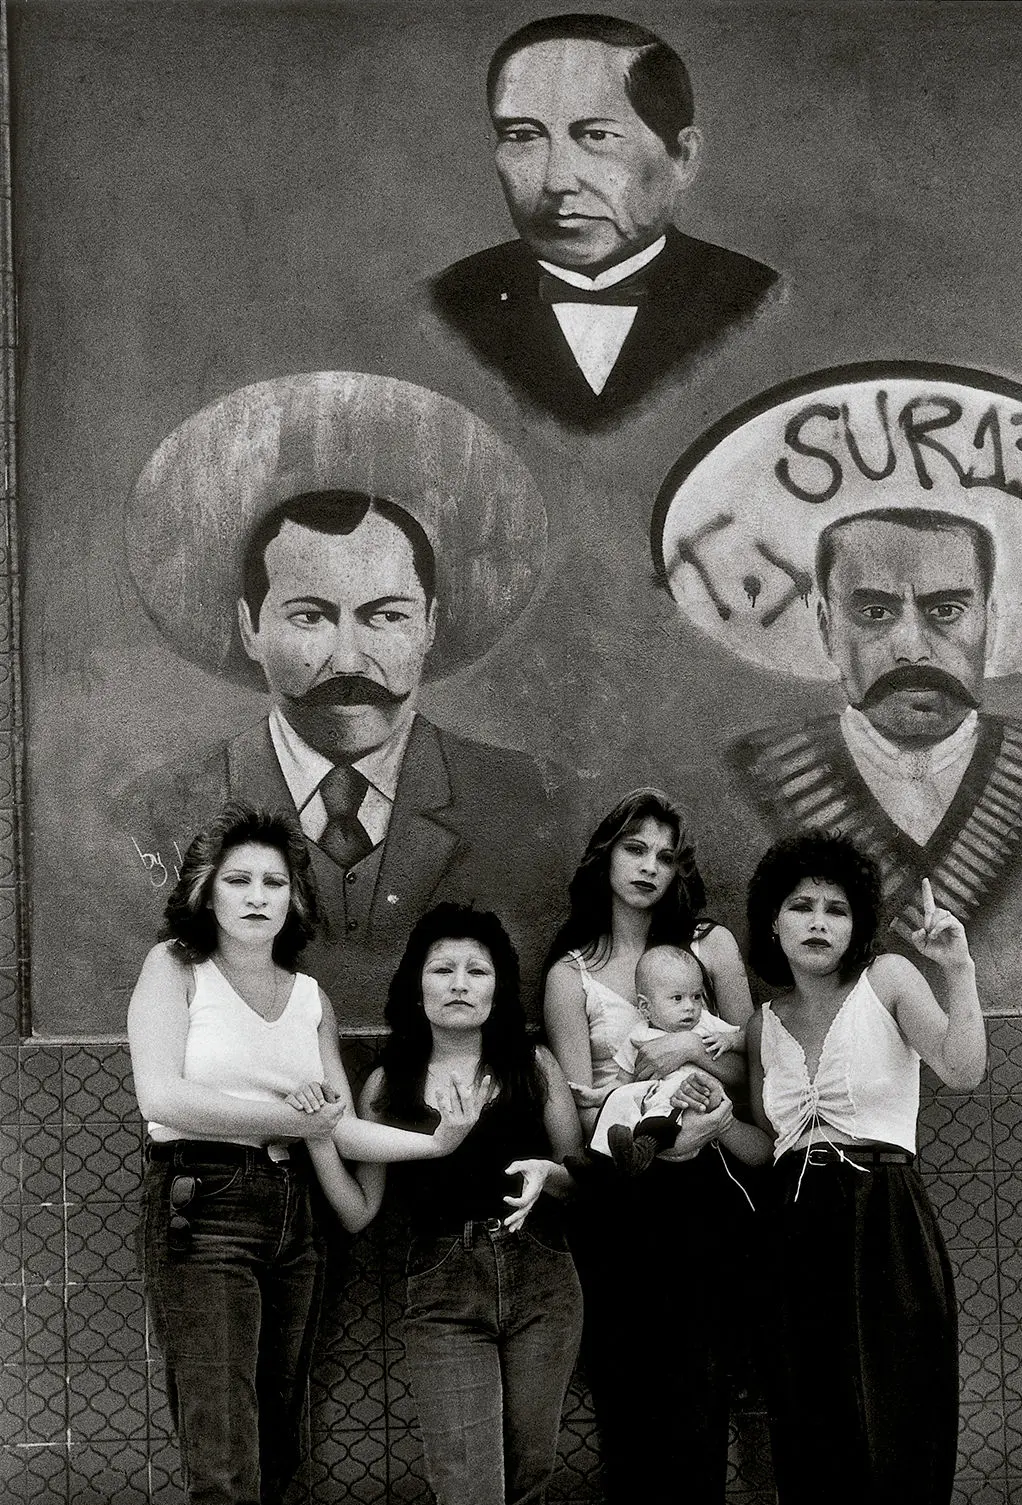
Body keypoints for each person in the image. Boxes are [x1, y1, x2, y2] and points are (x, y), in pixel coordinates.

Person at [127, 802, 470, 1505]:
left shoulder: (309, 994)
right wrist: (291, 1113)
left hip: (290, 1218)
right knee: (223, 1467)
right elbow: (166, 1092)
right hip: (204, 1206)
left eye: (274, 881)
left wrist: (434, 1146)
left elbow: (343, 1127)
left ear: (296, 896)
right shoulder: (172, 970)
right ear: (204, 889)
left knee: (273, 1451)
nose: (257, 896)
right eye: (238, 879)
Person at [118, 373, 559, 1027]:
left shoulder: (526, 799)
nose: (348, 660)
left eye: (385, 616)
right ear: (250, 627)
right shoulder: (159, 808)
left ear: (430, 624)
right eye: (309, 617)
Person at [312, 903, 584, 1505]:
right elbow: (363, 1210)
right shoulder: (392, 1082)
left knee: (526, 1490)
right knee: (470, 1503)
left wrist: (553, 1176)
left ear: (499, 985)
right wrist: (320, 1135)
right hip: (443, 1294)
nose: (459, 984)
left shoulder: (531, 1063)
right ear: (415, 985)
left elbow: (578, 1171)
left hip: (543, 1283)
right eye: (442, 969)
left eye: (476, 969)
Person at [718, 832, 987, 1505]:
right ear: (775, 922)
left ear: (857, 922)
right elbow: (769, 1145)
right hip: (795, 1233)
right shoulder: (763, 1023)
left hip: (884, 1221)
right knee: (812, 1438)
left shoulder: (892, 984)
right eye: (802, 906)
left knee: (894, 1437)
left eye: (835, 907)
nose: (819, 922)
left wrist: (958, 969)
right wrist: (714, 1118)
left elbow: (961, 1068)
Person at [542, 788, 753, 1505]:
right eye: (635, 848)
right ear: (607, 857)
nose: (649, 866)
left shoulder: (709, 950)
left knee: (695, 1413)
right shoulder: (569, 972)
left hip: (701, 1205)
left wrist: (689, 1063)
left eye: (665, 854)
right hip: (615, 1207)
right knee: (627, 1415)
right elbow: (580, 1105)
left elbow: (758, 1060)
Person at [729, 508, 1022, 936]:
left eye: (946, 610)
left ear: (991, 624)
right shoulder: (754, 770)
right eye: (875, 613)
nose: (912, 649)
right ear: (826, 629)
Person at [429, 13, 782, 428]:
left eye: (596, 136)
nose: (557, 181)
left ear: (683, 157)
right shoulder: (446, 303)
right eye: (523, 135)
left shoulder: (755, 298)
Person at [588, 942, 741, 1173]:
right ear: (645, 1006)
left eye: (697, 996)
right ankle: (596, 1158)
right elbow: (622, 1079)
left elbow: (745, 1039)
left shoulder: (707, 1024)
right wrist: (597, 1095)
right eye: (677, 998)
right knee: (619, 1099)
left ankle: (642, 1151)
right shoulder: (639, 1035)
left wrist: (730, 1041)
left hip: (691, 1103)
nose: (690, 1007)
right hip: (651, 1098)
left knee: (667, 1102)